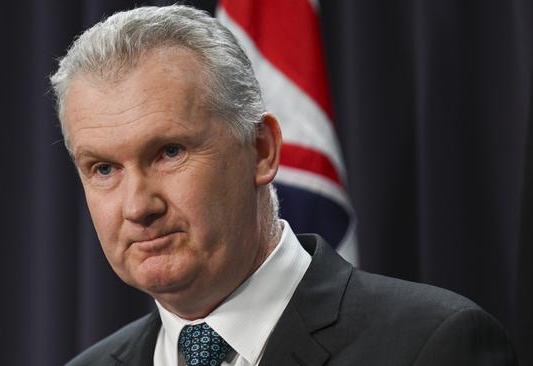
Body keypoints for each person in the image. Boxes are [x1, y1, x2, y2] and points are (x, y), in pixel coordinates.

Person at [50, 5, 517, 366]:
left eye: (170, 152)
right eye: (104, 169)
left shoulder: (431, 344)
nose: (137, 206)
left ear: (262, 150)